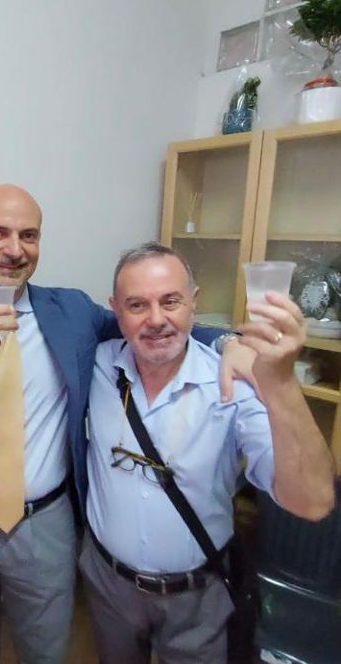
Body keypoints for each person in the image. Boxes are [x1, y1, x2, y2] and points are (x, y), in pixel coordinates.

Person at [0, 185, 243, 664]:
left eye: (28, 235)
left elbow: (148, 324)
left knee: (46, 653)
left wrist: (229, 342)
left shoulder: (70, 312)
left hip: (45, 524)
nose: (14, 249)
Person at [80, 241, 336, 664]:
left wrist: (281, 382)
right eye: (137, 305)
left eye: (171, 301)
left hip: (197, 596)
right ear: (116, 311)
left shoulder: (233, 383)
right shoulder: (97, 363)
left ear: (193, 302)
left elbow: (313, 501)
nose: (156, 319)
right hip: (108, 585)